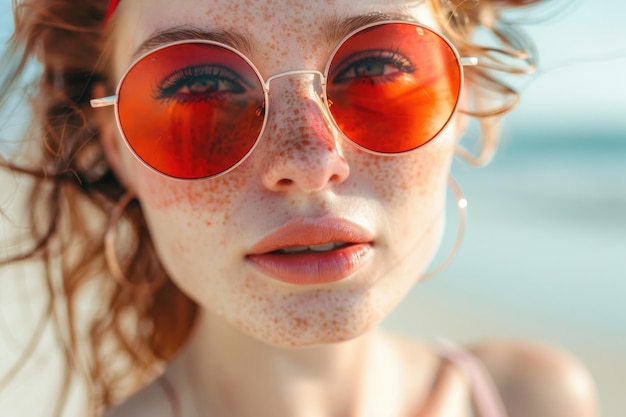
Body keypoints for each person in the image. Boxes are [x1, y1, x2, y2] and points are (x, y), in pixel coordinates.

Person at [0, 0, 598, 416]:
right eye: (201, 93)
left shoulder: (535, 400)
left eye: (375, 71)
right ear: (120, 151)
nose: (310, 160)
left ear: (462, 107)